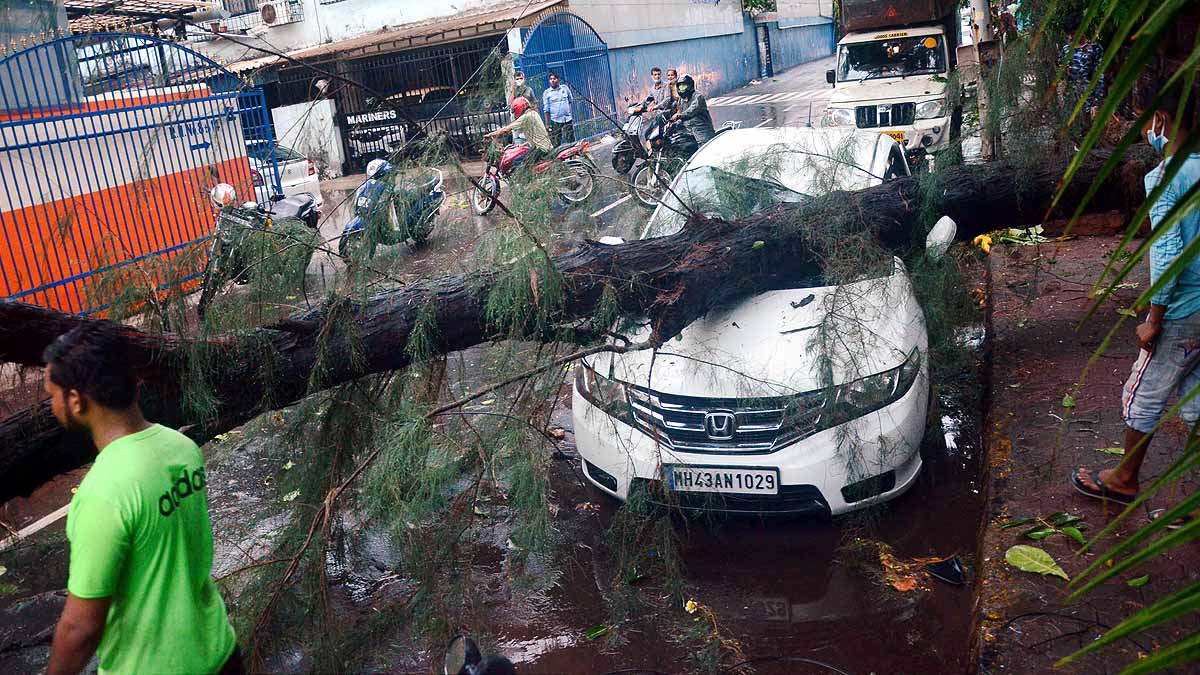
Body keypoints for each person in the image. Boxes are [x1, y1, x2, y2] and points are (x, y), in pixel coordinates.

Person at [44, 323, 240, 675]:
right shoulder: (181, 447)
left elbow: (81, 628)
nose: (52, 403)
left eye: (52, 394)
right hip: (220, 652)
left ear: (75, 400)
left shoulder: (104, 493)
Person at [1072, 81, 1200, 519]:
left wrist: (1153, 318)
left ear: (1161, 121)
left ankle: (1125, 479)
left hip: (1182, 310)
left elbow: (1168, 253)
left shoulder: (1170, 178)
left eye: (1146, 121)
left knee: (1144, 392)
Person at [485, 96, 552, 168]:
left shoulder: (526, 117)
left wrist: (490, 134)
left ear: (519, 107)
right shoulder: (533, 114)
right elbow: (536, 136)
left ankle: (526, 178)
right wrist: (523, 145)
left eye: (514, 110)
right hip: (544, 147)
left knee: (517, 162)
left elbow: (506, 129)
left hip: (541, 150)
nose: (515, 114)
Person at [1060, 14, 1106, 117]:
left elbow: (1100, 77)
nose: (1070, 37)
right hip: (1071, 101)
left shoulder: (1095, 49)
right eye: (1068, 34)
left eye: (1073, 33)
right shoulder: (1066, 50)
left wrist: (1096, 103)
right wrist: (1064, 71)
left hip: (1089, 101)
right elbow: (1061, 72)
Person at [672, 74, 716, 144]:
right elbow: (679, 111)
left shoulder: (698, 97)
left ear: (690, 85)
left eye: (684, 85)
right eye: (680, 85)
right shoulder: (681, 99)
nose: (681, 87)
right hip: (688, 131)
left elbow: (691, 111)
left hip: (702, 131)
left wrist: (679, 116)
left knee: (703, 151)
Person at [542, 71, 575, 146]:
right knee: (556, 142)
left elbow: (570, 100)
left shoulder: (565, 88)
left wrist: (569, 113)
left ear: (558, 79)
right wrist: (547, 124)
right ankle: (558, 157)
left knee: (571, 141)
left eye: (554, 78)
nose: (552, 80)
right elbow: (546, 110)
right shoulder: (547, 93)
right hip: (555, 120)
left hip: (567, 119)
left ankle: (573, 156)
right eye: (551, 79)